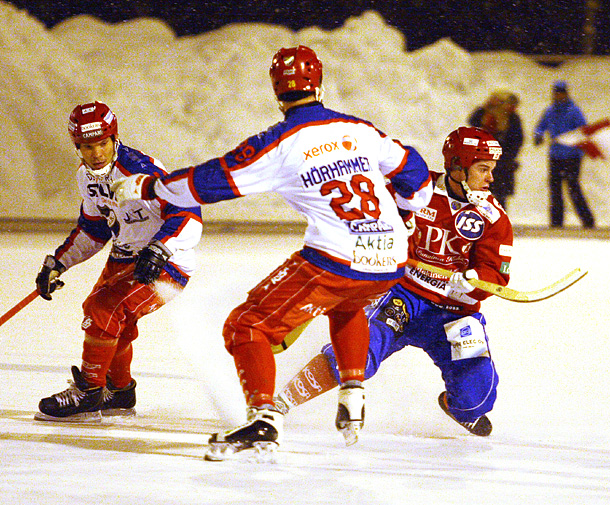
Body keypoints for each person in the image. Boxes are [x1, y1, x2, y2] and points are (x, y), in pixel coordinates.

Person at [112, 45, 433, 458]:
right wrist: (407, 210)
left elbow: (211, 183)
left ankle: (263, 419)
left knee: (246, 326)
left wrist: (151, 187)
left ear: (277, 92)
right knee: (347, 304)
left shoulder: (279, 143)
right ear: (319, 84)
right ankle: (353, 392)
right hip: (390, 259)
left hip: (337, 258)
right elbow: (418, 177)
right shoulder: (361, 130)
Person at [274, 126, 513, 437]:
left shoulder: (493, 218)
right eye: (483, 169)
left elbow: (497, 274)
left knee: (476, 400)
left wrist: (476, 280)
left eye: (492, 170)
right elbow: (366, 215)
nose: (490, 178)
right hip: (402, 295)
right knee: (356, 353)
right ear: (458, 165)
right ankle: (276, 404)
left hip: (454, 313)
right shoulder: (413, 190)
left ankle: (459, 405)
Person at [34, 101, 203, 422]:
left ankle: (90, 391)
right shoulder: (86, 177)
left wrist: (161, 248)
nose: (96, 153)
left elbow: (188, 213)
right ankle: (120, 392)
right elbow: (94, 228)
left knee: (102, 310)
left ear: (115, 138)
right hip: (122, 259)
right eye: (86, 146)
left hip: (166, 264)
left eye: (102, 143)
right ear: (77, 147)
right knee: (113, 325)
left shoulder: (143, 171)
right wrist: (58, 262)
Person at [534, 80, 595, 228]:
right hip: (555, 155)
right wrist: (538, 134)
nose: (559, 96)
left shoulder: (574, 111)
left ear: (566, 94)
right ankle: (556, 222)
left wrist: (573, 141)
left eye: (561, 93)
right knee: (555, 189)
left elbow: (583, 130)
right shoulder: (550, 111)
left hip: (572, 156)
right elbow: (541, 126)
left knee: (573, 187)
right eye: (556, 93)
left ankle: (587, 221)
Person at [468, 89, 524, 209]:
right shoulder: (487, 115)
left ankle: (498, 223)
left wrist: (509, 156)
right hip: (486, 159)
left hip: (502, 161)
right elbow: (473, 121)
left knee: (500, 195)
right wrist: (484, 107)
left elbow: (518, 140)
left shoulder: (513, 119)